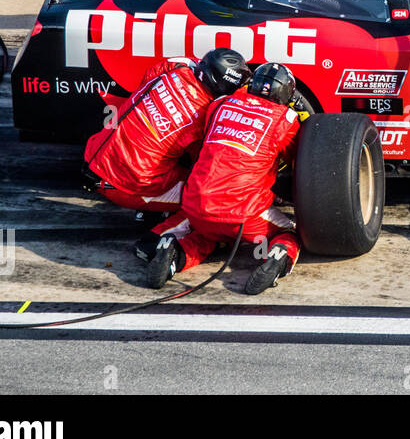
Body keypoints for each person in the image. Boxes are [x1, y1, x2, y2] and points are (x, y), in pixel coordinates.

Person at [145, 63, 304, 295]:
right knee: (290, 232)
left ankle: (175, 257)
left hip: (196, 205)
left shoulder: (219, 104)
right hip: (244, 215)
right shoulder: (287, 118)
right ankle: (278, 258)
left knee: (208, 237)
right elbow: (299, 162)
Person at [83, 49, 251, 254]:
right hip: (125, 186)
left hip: (94, 155)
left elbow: (147, 77)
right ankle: (154, 241)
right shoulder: (205, 115)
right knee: (207, 197)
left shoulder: (175, 67)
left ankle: (150, 212)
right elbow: (206, 161)